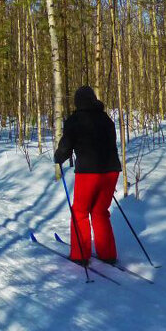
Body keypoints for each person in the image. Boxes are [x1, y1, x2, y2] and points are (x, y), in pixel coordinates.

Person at [54, 85, 122, 265]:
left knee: (80, 212)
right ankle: (108, 254)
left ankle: (80, 255)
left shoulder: (75, 120)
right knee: (100, 211)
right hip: (111, 171)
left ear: (78, 102)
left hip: (88, 173)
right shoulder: (106, 119)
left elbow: (66, 147)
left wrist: (58, 157)